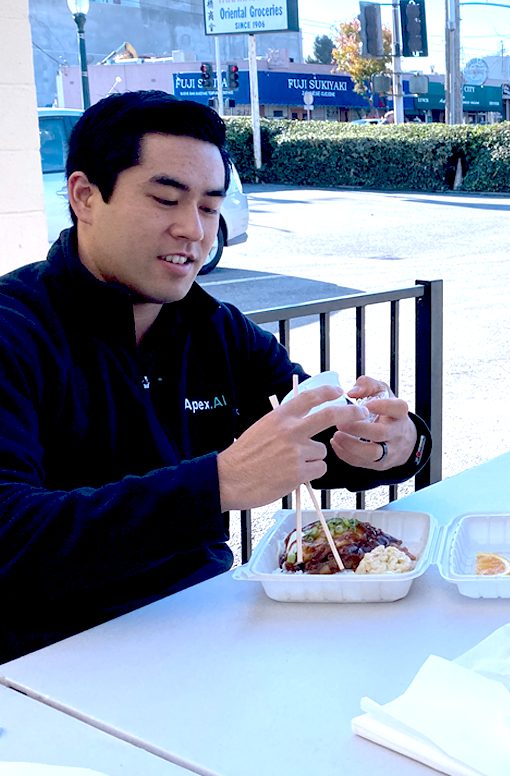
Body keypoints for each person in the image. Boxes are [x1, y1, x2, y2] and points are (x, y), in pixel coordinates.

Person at [0, 91, 429, 662]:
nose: (193, 231)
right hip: (51, 664)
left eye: (208, 207)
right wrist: (218, 484)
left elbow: (312, 435)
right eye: (165, 199)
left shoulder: (213, 327)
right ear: (85, 196)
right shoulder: (16, 331)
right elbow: (12, 536)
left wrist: (394, 442)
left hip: (212, 628)